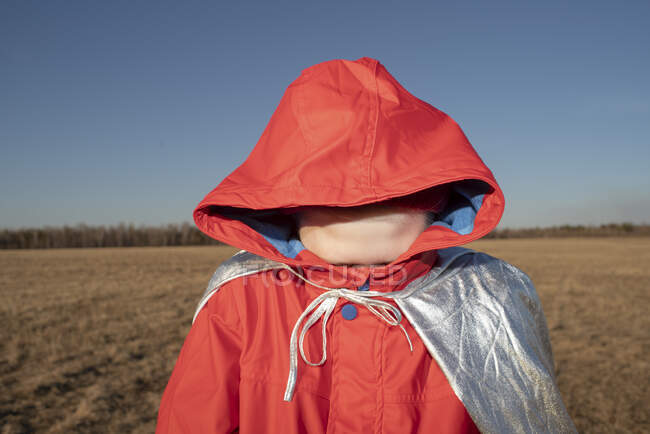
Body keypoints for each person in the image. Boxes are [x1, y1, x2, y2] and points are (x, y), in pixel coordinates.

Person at [155, 57, 576, 433]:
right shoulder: (242, 297)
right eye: (330, 192)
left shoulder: (486, 292)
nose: (360, 204)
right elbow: (193, 417)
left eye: (393, 192)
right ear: (283, 203)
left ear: (437, 197)